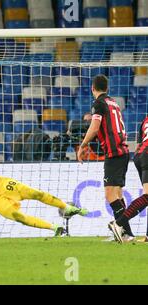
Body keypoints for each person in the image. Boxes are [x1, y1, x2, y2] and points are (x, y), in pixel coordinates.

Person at [77, 75, 134, 241]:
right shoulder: (114, 103)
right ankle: (124, 234)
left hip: (113, 152)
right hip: (123, 151)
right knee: (117, 193)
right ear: (107, 89)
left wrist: (82, 145)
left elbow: (95, 128)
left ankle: (125, 232)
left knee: (110, 194)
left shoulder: (99, 104)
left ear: (92, 88)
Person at [109, 116, 148, 243]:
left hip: (140, 155)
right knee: (147, 197)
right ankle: (119, 224)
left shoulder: (145, 119)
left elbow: (139, 143)